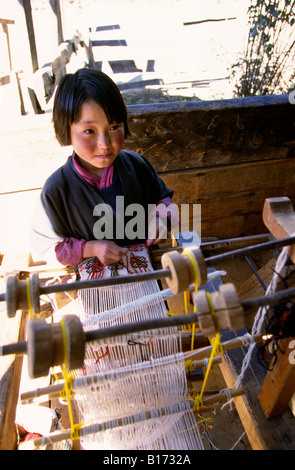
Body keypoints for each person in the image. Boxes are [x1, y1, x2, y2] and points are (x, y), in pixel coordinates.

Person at [31, 68, 178, 268]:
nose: (104, 143)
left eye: (113, 127)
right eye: (89, 131)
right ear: (67, 131)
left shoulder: (138, 166)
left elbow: (164, 201)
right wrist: (90, 249)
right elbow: (47, 247)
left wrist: (160, 220)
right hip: (95, 286)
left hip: (145, 273)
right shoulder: (57, 190)